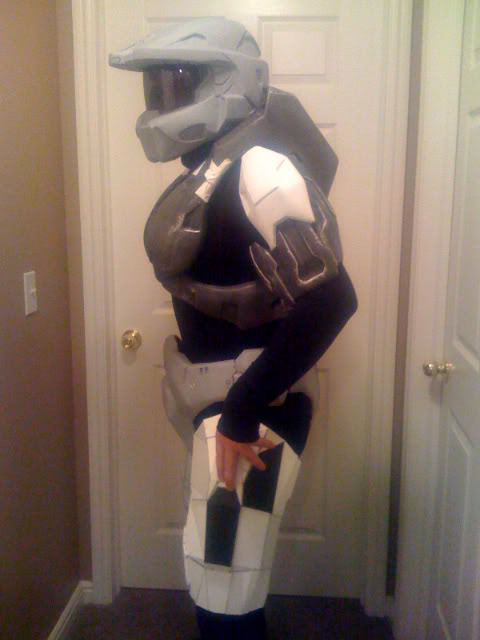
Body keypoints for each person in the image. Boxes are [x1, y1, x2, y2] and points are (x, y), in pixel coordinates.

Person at [110, 17, 357, 639]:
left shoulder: (261, 169)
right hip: (228, 407)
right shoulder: (218, 170)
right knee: (224, 577)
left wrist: (243, 411)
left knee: (224, 584)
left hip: (251, 414)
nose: (163, 100)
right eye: (157, 85)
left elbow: (333, 298)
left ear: (228, 81)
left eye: (178, 82)